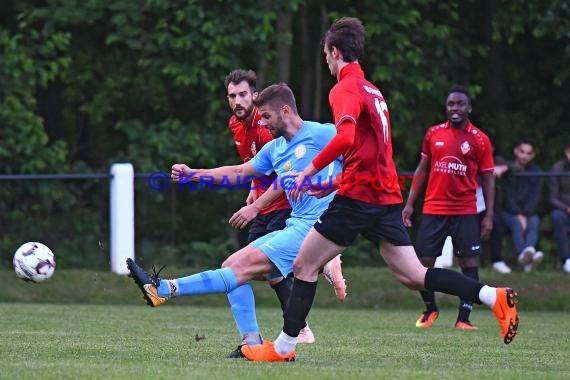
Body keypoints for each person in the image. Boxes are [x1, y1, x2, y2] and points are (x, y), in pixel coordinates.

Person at [241, 17, 519, 363]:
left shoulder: (344, 89)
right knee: (414, 275)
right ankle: (495, 296)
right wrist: (329, 182)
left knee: (303, 265)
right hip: (381, 194)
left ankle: (283, 348)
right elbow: (369, 152)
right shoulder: (372, 90)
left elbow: (344, 139)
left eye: (326, 55)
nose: (326, 62)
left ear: (334, 51)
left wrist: (308, 173)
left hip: (359, 198)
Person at [126, 83, 344, 357]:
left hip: (315, 228)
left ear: (285, 111)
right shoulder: (276, 149)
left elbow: (357, 159)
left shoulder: (323, 133)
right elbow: (239, 172)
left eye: (266, 116)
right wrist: (193, 174)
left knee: (239, 270)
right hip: (295, 224)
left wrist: (338, 189)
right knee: (231, 265)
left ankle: (165, 289)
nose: (262, 123)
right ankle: (252, 344)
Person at [222, 69, 345, 351]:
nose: (238, 101)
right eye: (232, 96)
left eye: (243, 95)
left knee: (256, 266)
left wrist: (257, 206)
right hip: (265, 204)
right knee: (260, 270)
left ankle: (293, 328)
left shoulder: (271, 126)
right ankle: (291, 327)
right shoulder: (236, 125)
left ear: (254, 96)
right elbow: (252, 167)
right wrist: (254, 188)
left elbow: (285, 172)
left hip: (283, 207)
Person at [402, 86, 495, 331]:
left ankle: (464, 318)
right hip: (434, 208)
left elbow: (488, 178)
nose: (455, 108)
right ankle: (430, 308)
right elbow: (421, 171)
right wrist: (410, 205)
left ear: (469, 108)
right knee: (422, 262)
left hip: (465, 209)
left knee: (468, 261)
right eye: (451, 104)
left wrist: (489, 215)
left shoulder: (479, 139)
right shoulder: (433, 134)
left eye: (460, 104)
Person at [500, 140, 544, 272]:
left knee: (534, 221)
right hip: (507, 212)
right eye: (522, 151)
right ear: (516, 151)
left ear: (533, 155)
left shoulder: (537, 172)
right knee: (516, 223)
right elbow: (506, 196)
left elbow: (534, 197)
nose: (524, 155)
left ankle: (526, 255)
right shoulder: (506, 170)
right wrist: (518, 215)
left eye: (528, 153)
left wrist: (524, 214)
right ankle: (529, 257)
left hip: (528, 213)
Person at [548, 137, 570, 273]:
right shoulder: (557, 167)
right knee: (557, 217)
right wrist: (566, 208)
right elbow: (552, 198)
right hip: (564, 210)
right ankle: (566, 260)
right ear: (567, 152)